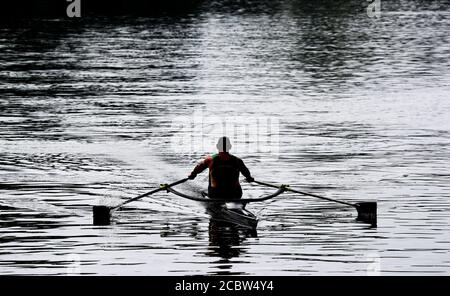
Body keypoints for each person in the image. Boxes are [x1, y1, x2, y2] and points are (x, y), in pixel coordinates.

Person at [188, 137, 254, 199]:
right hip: (235, 194)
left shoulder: (210, 160)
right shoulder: (238, 161)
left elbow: (197, 169)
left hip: (216, 194)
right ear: (230, 147)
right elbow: (247, 174)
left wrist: (192, 175)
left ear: (217, 147)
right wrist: (249, 178)